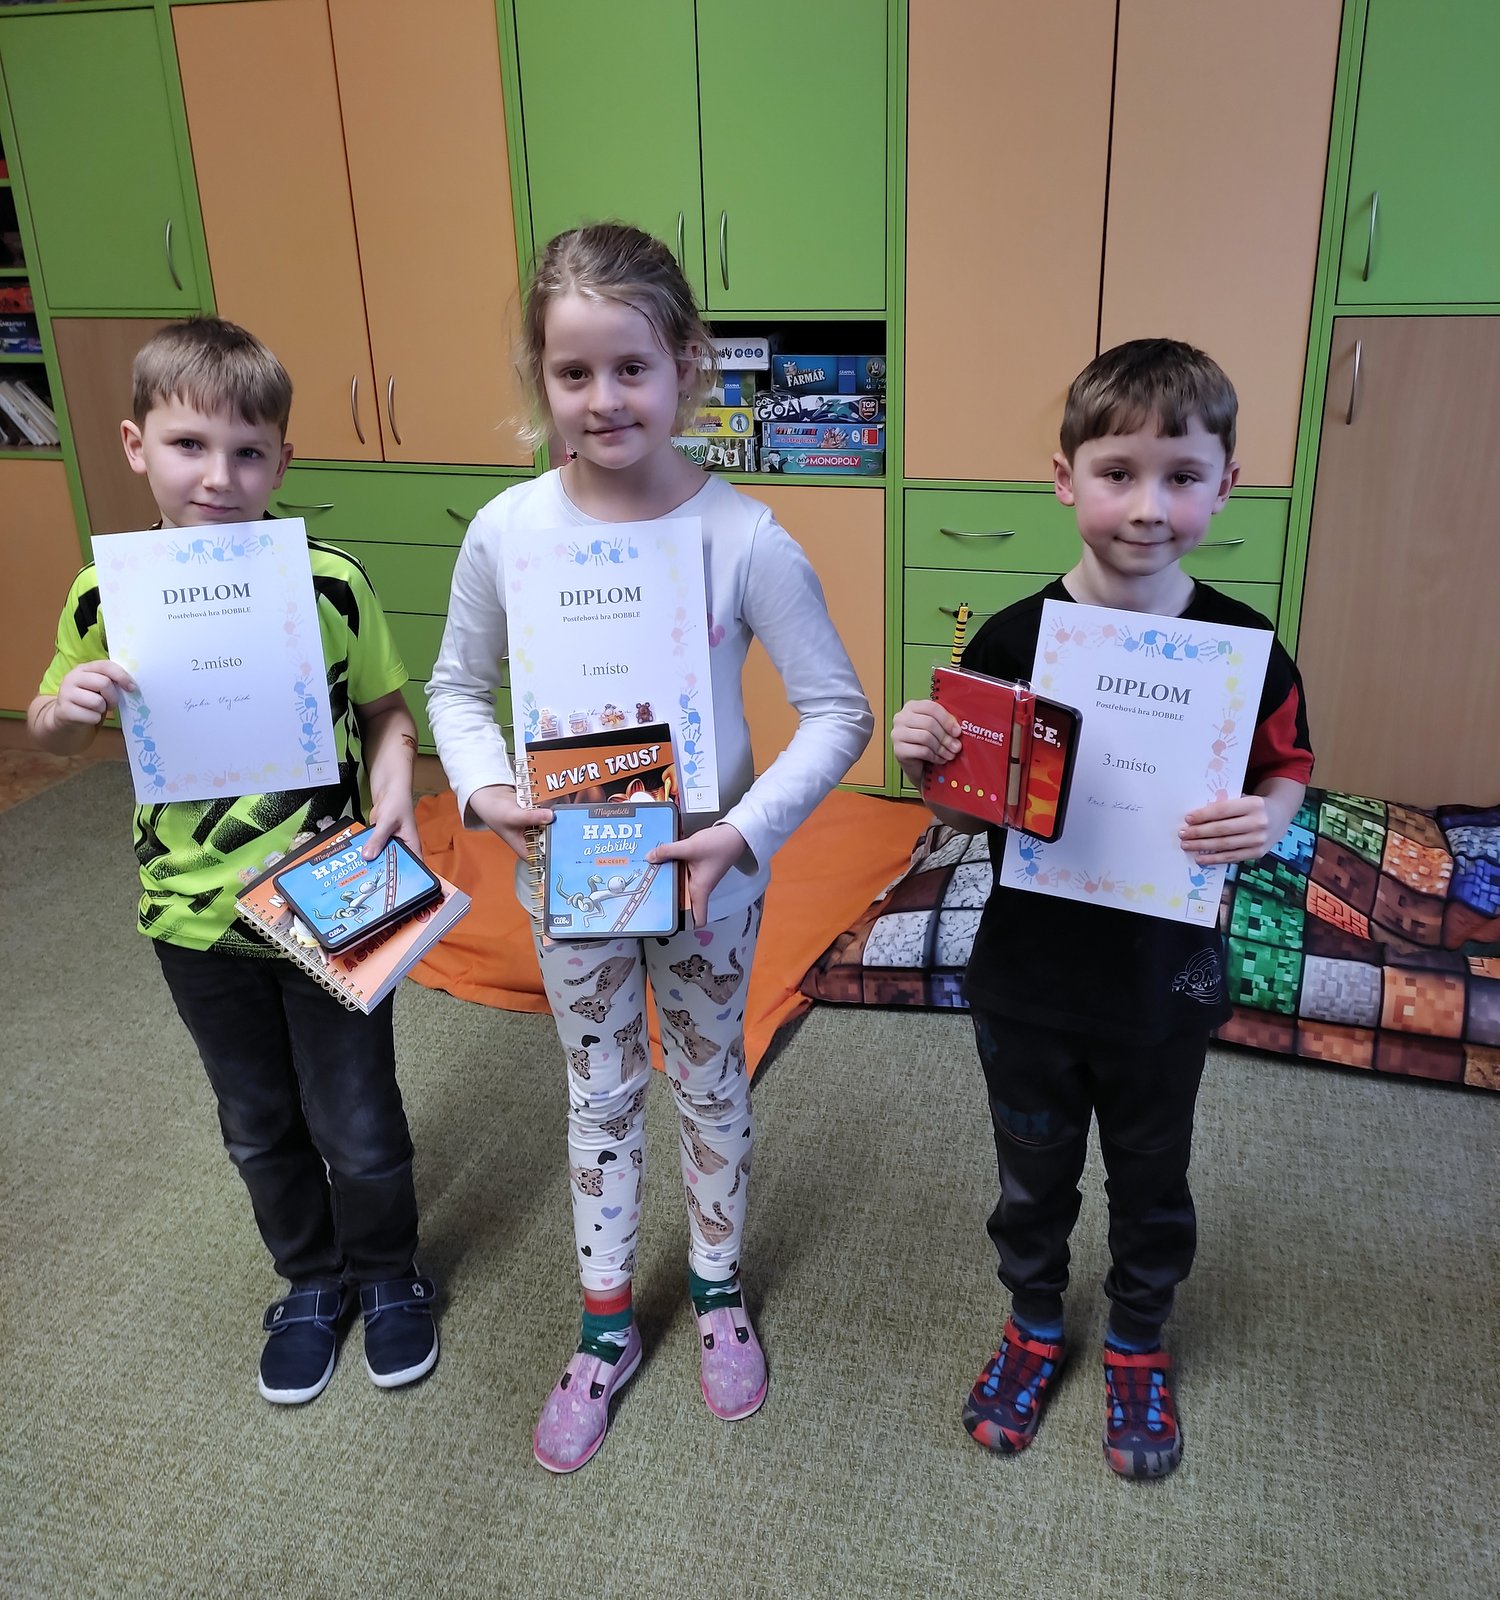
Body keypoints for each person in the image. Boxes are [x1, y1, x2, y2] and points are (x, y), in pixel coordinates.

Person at [426, 222, 872, 1473]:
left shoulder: (745, 537)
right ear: (540, 377)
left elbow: (838, 711)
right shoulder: (506, 530)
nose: (604, 398)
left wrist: (740, 831)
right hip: (567, 876)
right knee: (599, 1088)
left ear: (687, 363)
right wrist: (486, 786)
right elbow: (456, 686)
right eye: (573, 372)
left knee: (711, 1075)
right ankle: (605, 1322)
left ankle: (718, 1290)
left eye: (632, 366)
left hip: (708, 880)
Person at [892, 338, 1314, 1479]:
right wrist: (925, 759)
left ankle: (1137, 1336)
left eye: (1183, 476)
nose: (1148, 507)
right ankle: (1034, 1320)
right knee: (1031, 1172)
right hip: (1029, 976)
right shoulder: (1012, 641)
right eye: (1118, 472)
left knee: (1151, 1173)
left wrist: (1270, 818)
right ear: (1065, 478)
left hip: (1162, 984)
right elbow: (961, 804)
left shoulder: (1247, 651)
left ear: (1227, 484)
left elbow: (1288, 765)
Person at [28, 317, 439, 1406]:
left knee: (360, 1115)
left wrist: (396, 786)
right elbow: (50, 729)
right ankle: (311, 1278)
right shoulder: (103, 594)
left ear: (282, 461)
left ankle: (388, 1270)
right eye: (188, 445)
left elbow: (390, 715)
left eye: (249, 452)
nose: (220, 476)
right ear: (135, 446)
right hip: (190, 915)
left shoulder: (330, 582)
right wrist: (64, 709)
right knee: (257, 1120)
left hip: (329, 893)